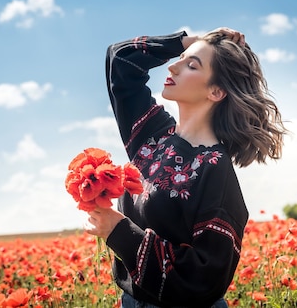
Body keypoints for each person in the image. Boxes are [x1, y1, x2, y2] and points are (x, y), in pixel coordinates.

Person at [85, 27, 286, 308]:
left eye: (191, 65)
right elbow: (120, 59)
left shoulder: (215, 170)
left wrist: (119, 232)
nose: (173, 66)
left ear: (216, 91)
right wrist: (188, 42)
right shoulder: (151, 134)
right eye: (180, 58)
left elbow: (204, 278)